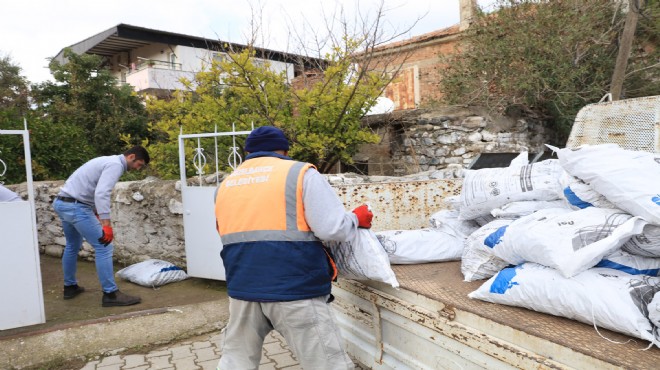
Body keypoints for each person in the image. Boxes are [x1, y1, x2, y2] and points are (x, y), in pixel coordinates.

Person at [214, 126, 373, 370]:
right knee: (326, 364)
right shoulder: (299, 173)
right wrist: (355, 218)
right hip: (294, 288)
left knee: (235, 362)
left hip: (242, 287)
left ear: (247, 152)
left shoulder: (225, 185)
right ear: (285, 150)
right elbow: (332, 229)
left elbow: (226, 232)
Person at [53, 146, 150, 307]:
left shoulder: (106, 160)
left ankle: (70, 287)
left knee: (72, 245)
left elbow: (89, 187)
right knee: (104, 247)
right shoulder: (116, 165)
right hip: (77, 207)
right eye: (139, 164)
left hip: (63, 203)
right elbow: (101, 193)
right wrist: (106, 224)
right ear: (131, 156)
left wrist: (96, 212)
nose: (138, 168)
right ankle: (110, 294)